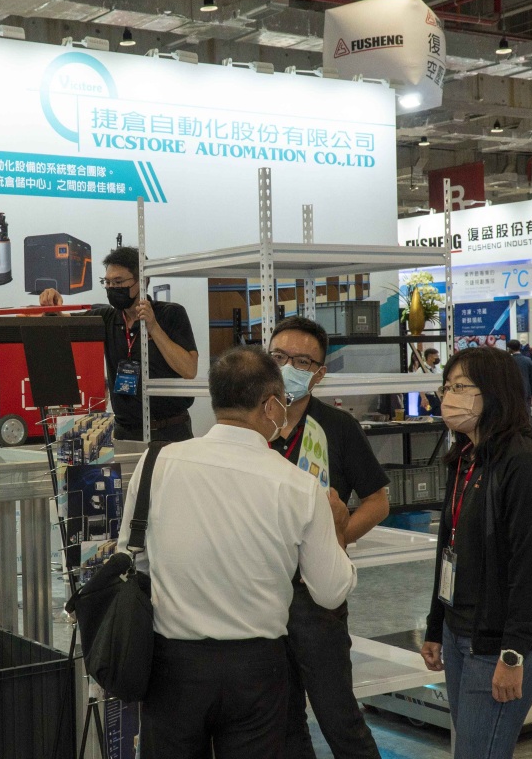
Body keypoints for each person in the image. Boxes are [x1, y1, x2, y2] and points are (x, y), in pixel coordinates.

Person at [118, 346, 357, 759]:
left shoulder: (156, 462)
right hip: (257, 669)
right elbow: (330, 591)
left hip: (172, 664)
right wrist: (337, 530)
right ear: (270, 406)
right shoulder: (299, 486)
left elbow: (133, 558)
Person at [420, 347, 532, 759]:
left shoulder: (523, 466)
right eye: (447, 387)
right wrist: (435, 625)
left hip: (499, 643)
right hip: (459, 631)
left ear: (495, 393)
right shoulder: (466, 458)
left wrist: (513, 655)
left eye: (461, 387)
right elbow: (449, 548)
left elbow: (531, 570)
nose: (449, 397)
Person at [267, 316, 389, 759]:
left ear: (319, 373)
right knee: (281, 719)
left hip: (316, 598)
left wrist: (337, 542)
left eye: (302, 361)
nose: (288, 368)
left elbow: (378, 501)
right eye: (278, 357)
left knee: (338, 716)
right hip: (260, 591)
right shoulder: (249, 425)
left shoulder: (337, 427)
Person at [40, 246, 198, 441]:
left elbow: (189, 369)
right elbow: (62, 322)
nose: (112, 288)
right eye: (107, 282)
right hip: (124, 431)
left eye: (118, 282)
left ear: (143, 281)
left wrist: (153, 327)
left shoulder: (170, 314)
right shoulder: (107, 317)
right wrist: (53, 305)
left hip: (169, 431)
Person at [506, 339, 532, 405]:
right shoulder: (528, 360)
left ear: (510, 349)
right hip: (526, 392)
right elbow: (531, 378)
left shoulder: (507, 361)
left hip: (512, 393)